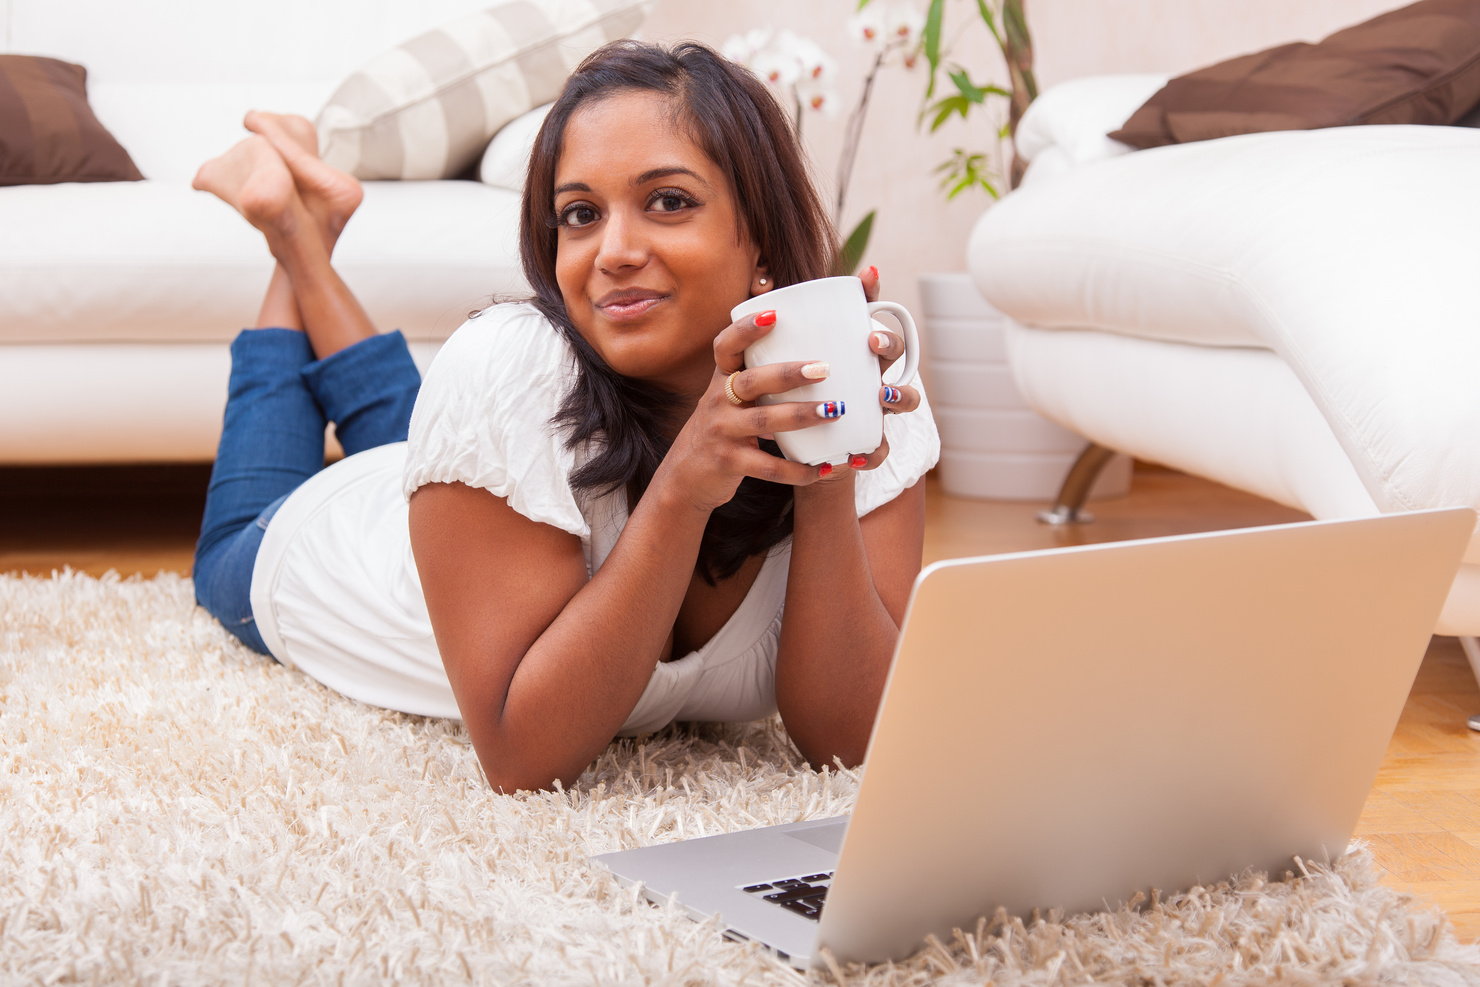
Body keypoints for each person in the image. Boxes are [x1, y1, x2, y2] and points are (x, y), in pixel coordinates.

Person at [190, 40, 939, 793]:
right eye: (580, 214)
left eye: (668, 201)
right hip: (330, 544)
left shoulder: (850, 375)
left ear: (766, 245)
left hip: (480, 505)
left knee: (424, 425)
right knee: (225, 554)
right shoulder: (508, 369)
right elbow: (521, 760)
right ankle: (293, 233)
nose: (613, 252)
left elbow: (850, 740)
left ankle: (304, 229)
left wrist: (829, 463)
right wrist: (681, 491)